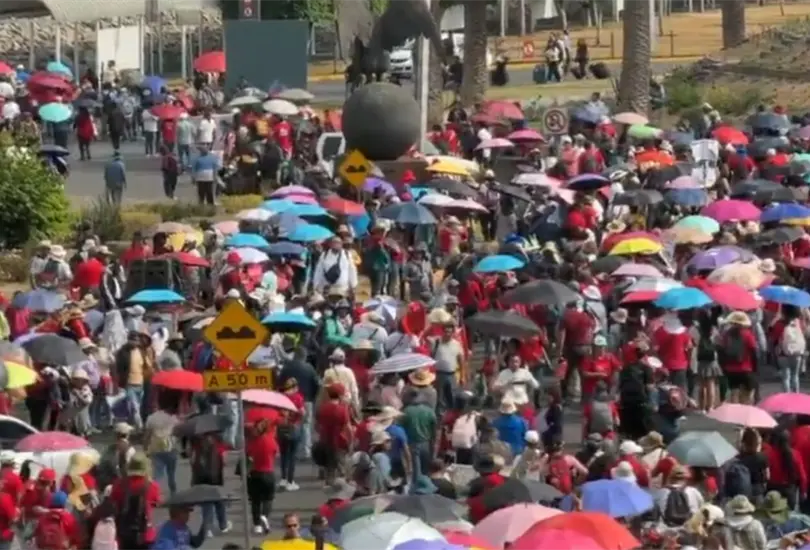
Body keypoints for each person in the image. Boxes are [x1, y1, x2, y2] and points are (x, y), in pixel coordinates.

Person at [109, 452, 161, 550]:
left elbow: (113, 501)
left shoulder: (119, 484)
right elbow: (156, 503)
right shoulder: (152, 486)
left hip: (123, 532)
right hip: (145, 533)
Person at [245, 418, 278, 535]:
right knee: (268, 499)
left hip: (255, 473)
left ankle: (257, 524)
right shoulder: (271, 440)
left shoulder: (253, 442)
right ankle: (265, 515)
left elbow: (248, 455)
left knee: (255, 501)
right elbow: (275, 452)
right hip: (268, 472)